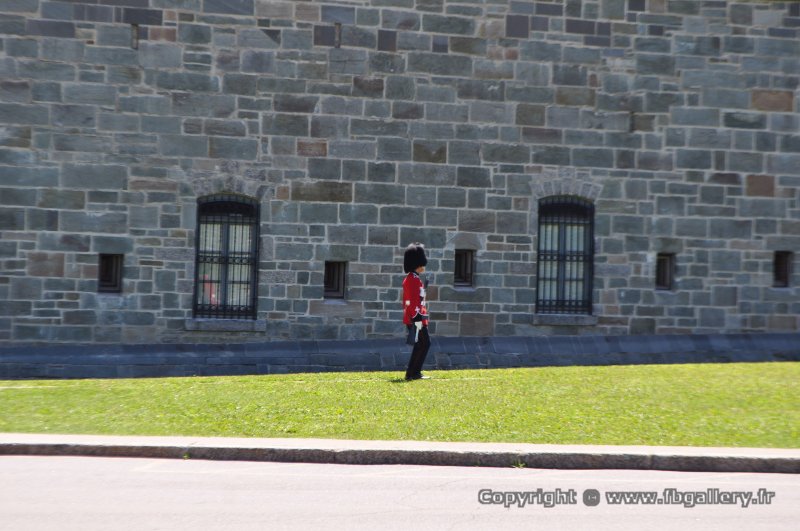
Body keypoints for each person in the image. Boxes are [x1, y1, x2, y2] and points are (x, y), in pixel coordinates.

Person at [402, 243, 431, 381]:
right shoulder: (412, 280)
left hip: (417, 317)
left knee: (421, 345)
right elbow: (412, 302)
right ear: (416, 263)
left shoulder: (414, 278)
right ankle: (413, 373)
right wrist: (417, 318)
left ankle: (412, 372)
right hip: (416, 318)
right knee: (424, 344)